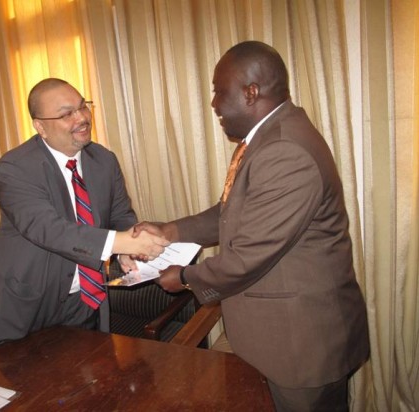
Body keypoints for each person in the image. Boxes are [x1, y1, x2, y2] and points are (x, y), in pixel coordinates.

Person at [134, 41, 369, 411]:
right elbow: (228, 213)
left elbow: (249, 257)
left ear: (250, 92)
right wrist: (168, 230)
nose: (213, 104)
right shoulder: (266, 137)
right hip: (277, 336)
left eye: (217, 91)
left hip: (301, 347)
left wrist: (183, 277)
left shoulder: (283, 150)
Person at [0, 78, 169, 347]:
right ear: (40, 126)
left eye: (83, 106)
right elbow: (47, 228)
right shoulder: (14, 168)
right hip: (29, 302)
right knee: (26, 384)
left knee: (88, 376)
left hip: (85, 299)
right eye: (67, 114)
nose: (81, 118)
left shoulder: (103, 160)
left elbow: (120, 213)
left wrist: (127, 245)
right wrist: (121, 242)